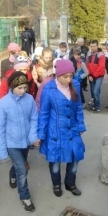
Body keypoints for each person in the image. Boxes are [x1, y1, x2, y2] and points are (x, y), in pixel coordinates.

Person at [38, 60, 86, 197]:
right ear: (57, 75)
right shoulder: (48, 89)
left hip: (73, 130)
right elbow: (44, 113)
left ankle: (70, 183)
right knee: (55, 162)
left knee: (75, 158)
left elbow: (78, 109)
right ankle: (56, 184)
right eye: (66, 76)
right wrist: (41, 133)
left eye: (71, 76)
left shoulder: (75, 85)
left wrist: (81, 125)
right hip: (55, 132)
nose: (69, 79)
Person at [0, 72, 40, 212]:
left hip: (25, 142)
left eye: (25, 87)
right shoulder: (3, 104)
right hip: (11, 144)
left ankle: (12, 174)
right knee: (22, 169)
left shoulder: (29, 100)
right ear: (12, 86)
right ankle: (24, 197)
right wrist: (2, 152)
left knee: (18, 166)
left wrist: (33, 138)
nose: (23, 91)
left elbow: (33, 119)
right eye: (20, 88)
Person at [86, 40, 106, 112]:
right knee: (93, 91)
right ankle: (94, 105)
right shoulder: (89, 54)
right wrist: (89, 75)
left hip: (99, 76)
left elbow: (101, 67)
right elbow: (87, 65)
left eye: (94, 46)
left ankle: (97, 106)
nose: (93, 48)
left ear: (97, 46)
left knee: (95, 91)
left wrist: (93, 76)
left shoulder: (101, 55)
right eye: (91, 46)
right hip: (91, 76)